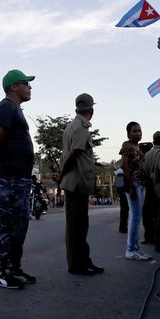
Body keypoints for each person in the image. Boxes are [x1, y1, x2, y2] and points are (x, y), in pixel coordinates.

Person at [0, 68, 38, 289]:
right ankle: (1, 271)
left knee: (20, 224)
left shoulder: (15, 109)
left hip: (20, 177)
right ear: (13, 87)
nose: (29, 87)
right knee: (6, 225)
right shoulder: (6, 107)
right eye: (26, 83)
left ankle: (13, 268)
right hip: (9, 178)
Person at [58, 93, 103, 275]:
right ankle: (77, 265)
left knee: (79, 225)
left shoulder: (71, 126)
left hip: (75, 182)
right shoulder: (81, 127)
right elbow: (73, 154)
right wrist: (62, 175)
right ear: (91, 110)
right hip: (76, 183)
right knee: (77, 227)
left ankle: (83, 260)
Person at [119, 122, 153, 262]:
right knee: (135, 218)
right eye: (134, 131)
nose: (138, 133)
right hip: (134, 184)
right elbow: (124, 166)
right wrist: (131, 185)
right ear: (128, 133)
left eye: (139, 130)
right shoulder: (126, 146)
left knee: (137, 217)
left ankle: (136, 249)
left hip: (141, 184)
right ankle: (131, 250)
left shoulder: (137, 147)